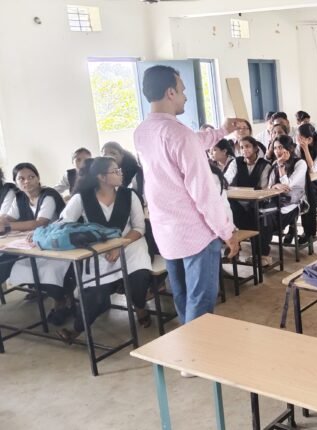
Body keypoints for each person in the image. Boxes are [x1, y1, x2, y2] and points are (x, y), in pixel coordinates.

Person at [133, 65, 240, 355]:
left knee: (181, 295)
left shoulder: (143, 132)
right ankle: (194, 356)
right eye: (182, 91)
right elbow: (204, 193)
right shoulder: (178, 134)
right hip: (195, 232)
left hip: (166, 230)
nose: (185, 97)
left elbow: (191, 142)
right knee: (201, 299)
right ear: (170, 92)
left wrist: (223, 131)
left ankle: (188, 349)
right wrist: (227, 231)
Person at [55, 157, 153, 342]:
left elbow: (139, 228)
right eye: (115, 171)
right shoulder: (82, 198)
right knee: (95, 294)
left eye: (119, 170)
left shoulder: (129, 195)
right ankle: (78, 328)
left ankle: (140, 307)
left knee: (139, 277)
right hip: (100, 250)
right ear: (101, 177)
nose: (120, 174)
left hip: (129, 243)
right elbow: (63, 223)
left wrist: (119, 246)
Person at [0, 163, 69, 324]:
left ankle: (62, 301)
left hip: (56, 247)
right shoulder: (20, 197)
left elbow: (40, 223)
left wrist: (7, 227)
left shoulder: (48, 195)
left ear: (38, 178)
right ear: (16, 182)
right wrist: (3, 222)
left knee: (46, 271)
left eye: (31, 177)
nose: (27, 181)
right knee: (8, 262)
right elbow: (8, 218)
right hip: (31, 247)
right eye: (21, 179)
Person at [259, 135, 309, 266]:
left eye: (280, 147)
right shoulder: (274, 163)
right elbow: (269, 186)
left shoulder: (300, 163)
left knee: (265, 217)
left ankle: (263, 255)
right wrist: (275, 186)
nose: (277, 151)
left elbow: (287, 186)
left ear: (289, 148)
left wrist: (281, 167)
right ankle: (262, 255)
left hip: (291, 205)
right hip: (274, 203)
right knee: (260, 215)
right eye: (275, 148)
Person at [229, 136, 271, 230]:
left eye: (247, 146)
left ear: (255, 148)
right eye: (241, 147)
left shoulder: (264, 165)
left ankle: (253, 235)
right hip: (238, 201)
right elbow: (227, 178)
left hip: (255, 202)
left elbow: (263, 189)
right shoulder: (236, 162)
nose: (244, 150)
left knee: (253, 213)